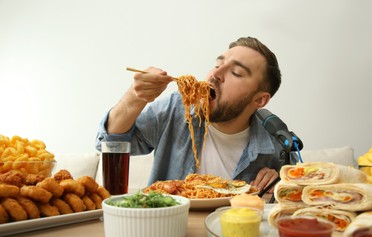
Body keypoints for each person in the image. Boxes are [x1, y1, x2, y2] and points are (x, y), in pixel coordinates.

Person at [96, 36, 297, 195]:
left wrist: (280, 183)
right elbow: (110, 143)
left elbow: (296, 191)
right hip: (169, 231)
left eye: (236, 72)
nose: (216, 74)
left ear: (259, 100)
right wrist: (134, 97)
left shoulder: (276, 142)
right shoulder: (177, 107)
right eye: (218, 65)